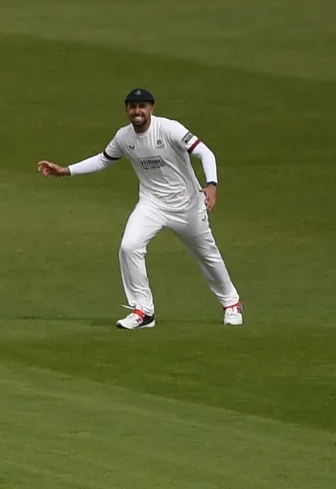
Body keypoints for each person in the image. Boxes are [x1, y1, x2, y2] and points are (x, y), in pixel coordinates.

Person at [39, 88, 242, 329]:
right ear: (127, 110)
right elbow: (103, 159)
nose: (137, 111)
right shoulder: (124, 137)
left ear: (151, 108)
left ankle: (231, 303)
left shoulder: (169, 128)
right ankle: (143, 311)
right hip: (152, 204)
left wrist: (211, 185)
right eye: (132, 107)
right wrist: (65, 170)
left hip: (187, 204)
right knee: (129, 247)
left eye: (142, 106)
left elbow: (205, 153)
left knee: (207, 255)